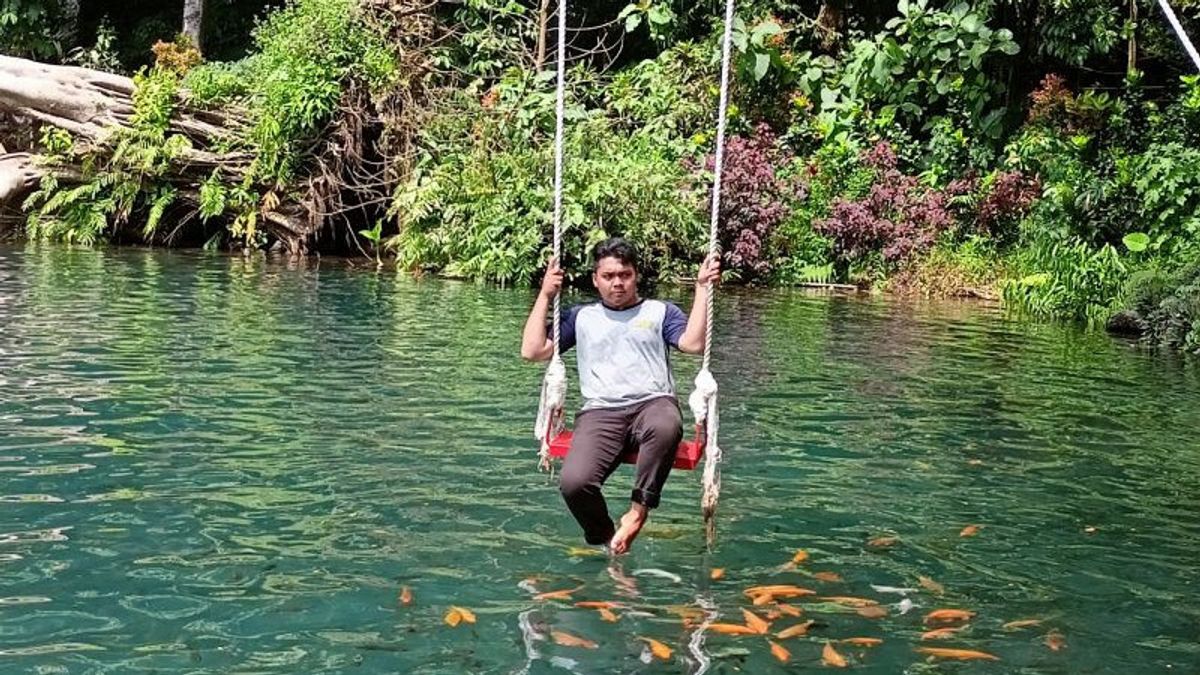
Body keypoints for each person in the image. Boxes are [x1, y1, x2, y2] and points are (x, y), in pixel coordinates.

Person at [520, 237, 720, 554]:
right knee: (574, 484)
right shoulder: (581, 317)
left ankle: (638, 511)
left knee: (666, 425)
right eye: (609, 276)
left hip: (652, 405)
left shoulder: (659, 312)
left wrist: (701, 288)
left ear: (635, 275)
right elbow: (532, 351)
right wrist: (545, 294)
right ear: (595, 280)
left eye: (625, 275)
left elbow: (693, 344)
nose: (618, 283)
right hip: (600, 413)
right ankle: (607, 543)